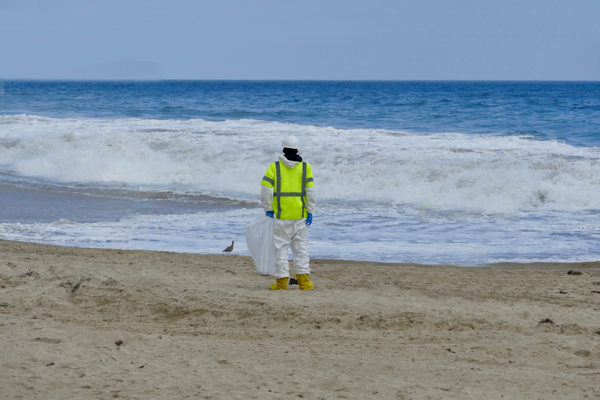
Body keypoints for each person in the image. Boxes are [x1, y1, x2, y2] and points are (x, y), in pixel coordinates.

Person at [261, 135, 315, 290]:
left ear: (283, 149)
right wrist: (310, 211)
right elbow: (310, 191)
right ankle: (304, 282)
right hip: (300, 215)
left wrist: (268, 208)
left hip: (281, 216)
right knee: (301, 249)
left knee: (280, 248)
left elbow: (265, 188)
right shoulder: (305, 167)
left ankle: (282, 281)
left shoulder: (275, 167)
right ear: (297, 148)